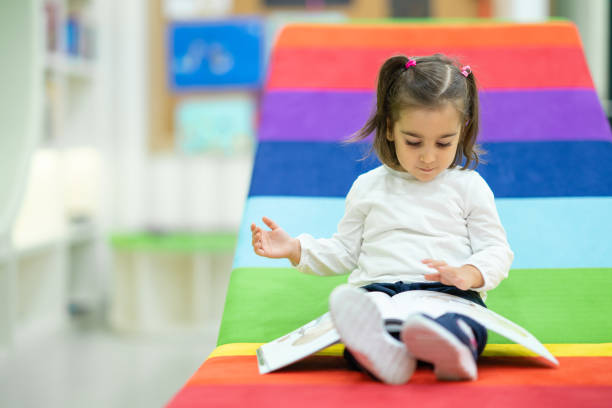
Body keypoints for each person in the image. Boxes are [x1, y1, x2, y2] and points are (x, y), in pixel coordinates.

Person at [250, 54, 514, 385]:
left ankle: (452, 347)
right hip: (381, 290)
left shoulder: (469, 186)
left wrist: (469, 273)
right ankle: (386, 353)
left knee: (460, 319)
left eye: (443, 142)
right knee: (364, 314)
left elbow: (496, 250)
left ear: (462, 130)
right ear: (390, 128)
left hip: (448, 292)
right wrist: (295, 249)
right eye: (413, 141)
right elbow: (345, 251)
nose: (428, 156)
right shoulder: (368, 187)